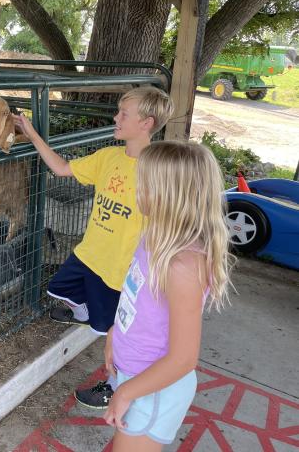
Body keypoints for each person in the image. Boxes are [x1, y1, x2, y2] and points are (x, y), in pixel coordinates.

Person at [14, 86, 174, 408]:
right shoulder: (108, 157)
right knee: (58, 288)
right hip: (89, 254)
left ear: (146, 123)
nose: (115, 118)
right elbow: (61, 168)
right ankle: (84, 311)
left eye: (123, 114)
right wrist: (32, 135)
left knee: (116, 337)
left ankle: (116, 385)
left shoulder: (158, 169)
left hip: (119, 270)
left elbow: (166, 222)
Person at [103, 141, 233, 450]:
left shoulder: (183, 264)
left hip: (153, 389)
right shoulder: (154, 236)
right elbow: (139, 302)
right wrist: (114, 333)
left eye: (144, 183)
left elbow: (183, 358)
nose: (136, 188)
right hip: (137, 378)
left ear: (168, 195)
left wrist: (126, 392)